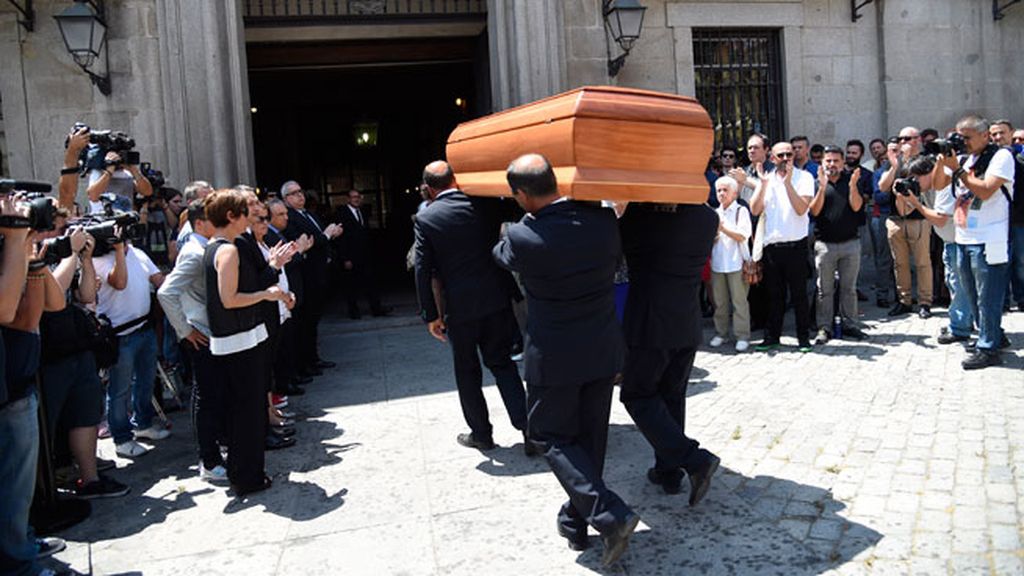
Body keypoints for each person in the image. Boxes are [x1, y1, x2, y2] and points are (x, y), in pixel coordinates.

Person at [493, 154, 639, 566]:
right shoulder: (604, 222)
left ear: (521, 195)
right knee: (591, 439)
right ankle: (575, 521)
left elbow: (500, 255)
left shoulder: (522, 235)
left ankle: (611, 516)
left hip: (554, 356)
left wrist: (516, 221)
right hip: (601, 348)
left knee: (548, 435)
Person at [413, 161, 531, 453]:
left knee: (467, 372)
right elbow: (515, 208)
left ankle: (482, 434)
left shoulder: (426, 219)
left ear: (429, 188)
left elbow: (422, 270)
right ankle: (529, 430)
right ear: (455, 179)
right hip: (495, 298)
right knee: (503, 364)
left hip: (459, 307)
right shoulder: (483, 204)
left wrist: (431, 315)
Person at [618, 192, 723, 508]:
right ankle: (668, 471)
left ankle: (694, 459)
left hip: (650, 323)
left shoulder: (639, 217)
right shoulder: (707, 217)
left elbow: (618, 246)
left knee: (636, 395)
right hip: (686, 322)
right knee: (671, 396)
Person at [203, 189, 292, 495]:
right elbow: (229, 299)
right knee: (248, 412)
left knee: (242, 410)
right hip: (240, 340)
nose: (251, 217)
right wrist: (266, 294)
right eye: (245, 213)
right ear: (231, 216)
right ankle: (247, 477)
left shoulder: (215, 247)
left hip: (233, 340)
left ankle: (243, 473)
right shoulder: (227, 250)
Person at [38, 222, 130, 498]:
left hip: (76, 346)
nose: (64, 234)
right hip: (46, 354)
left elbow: (87, 295)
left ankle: (90, 479)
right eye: (56, 227)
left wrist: (85, 260)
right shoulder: (31, 256)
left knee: (85, 413)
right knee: (46, 424)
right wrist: (70, 254)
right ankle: (43, 493)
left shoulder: (66, 255)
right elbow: (53, 297)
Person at [0, 204, 66, 576]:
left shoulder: (17, 255)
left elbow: (56, 303)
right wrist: (17, 245)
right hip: (11, 387)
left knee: (19, 486)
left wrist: (33, 260)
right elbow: (23, 318)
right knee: (13, 485)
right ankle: (18, 560)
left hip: (20, 383)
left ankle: (21, 542)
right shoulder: (7, 261)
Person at [157, 200, 228, 482]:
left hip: (209, 331)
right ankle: (209, 461)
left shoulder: (204, 247)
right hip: (200, 335)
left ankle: (217, 448)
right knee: (206, 398)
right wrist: (185, 330)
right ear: (199, 223)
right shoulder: (194, 252)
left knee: (213, 395)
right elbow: (166, 292)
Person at [938, 115, 1015, 369]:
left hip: (990, 238)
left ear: (985, 135)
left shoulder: (1001, 156)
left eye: (967, 138)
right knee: (971, 294)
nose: (963, 143)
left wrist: (958, 170)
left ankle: (988, 349)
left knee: (988, 296)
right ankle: (991, 335)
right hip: (963, 236)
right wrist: (942, 159)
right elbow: (937, 184)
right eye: (959, 138)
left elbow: (985, 190)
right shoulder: (963, 158)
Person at [93, 235, 168, 457]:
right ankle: (122, 438)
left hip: (144, 328)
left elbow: (159, 281)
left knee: (146, 381)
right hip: (119, 335)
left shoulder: (137, 252)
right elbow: (119, 282)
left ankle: (143, 424)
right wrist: (118, 252)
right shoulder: (99, 260)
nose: (125, 240)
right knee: (120, 389)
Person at [898, 157, 973, 345]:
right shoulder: (928, 188)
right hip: (951, 241)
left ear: (930, 173)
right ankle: (963, 322)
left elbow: (940, 219)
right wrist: (906, 198)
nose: (914, 182)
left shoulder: (944, 186)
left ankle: (960, 328)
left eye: (916, 177)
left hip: (959, 242)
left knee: (959, 285)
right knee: (956, 284)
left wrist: (916, 203)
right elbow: (905, 212)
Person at [750, 141, 816, 352]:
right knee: (774, 295)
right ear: (772, 158)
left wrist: (788, 184)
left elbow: (801, 209)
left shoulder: (804, 177)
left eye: (789, 154)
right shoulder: (767, 179)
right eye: (781, 155)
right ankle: (772, 337)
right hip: (772, 247)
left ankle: (803, 338)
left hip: (796, 245)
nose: (786, 158)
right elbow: (755, 209)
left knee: (799, 295)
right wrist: (762, 185)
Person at [281, 180, 341, 378]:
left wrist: (331, 234)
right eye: (294, 193)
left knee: (313, 320)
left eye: (300, 191)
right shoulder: (290, 218)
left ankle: (313, 358)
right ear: (285, 199)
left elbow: (319, 239)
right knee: (305, 322)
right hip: (307, 275)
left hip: (320, 272)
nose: (300, 195)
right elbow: (308, 242)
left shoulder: (309, 214)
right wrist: (327, 235)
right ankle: (305, 362)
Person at [808, 146, 866, 344]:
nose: (832, 164)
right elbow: (814, 212)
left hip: (851, 243)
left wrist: (853, 186)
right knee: (824, 289)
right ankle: (824, 327)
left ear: (842, 163)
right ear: (822, 163)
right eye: (828, 161)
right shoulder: (816, 183)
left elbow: (857, 206)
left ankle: (851, 324)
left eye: (836, 161)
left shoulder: (851, 181)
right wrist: (822, 188)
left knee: (849, 288)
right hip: (825, 245)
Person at [880, 127, 934, 318]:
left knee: (922, 262)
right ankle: (904, 301)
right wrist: (895, 165)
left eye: (907, 138)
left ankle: (925, 302)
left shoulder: (925, 161)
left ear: (917, 140)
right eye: (901, 139)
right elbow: (882, 187)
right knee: (900, 264)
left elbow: (929, 186)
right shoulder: (894, 162)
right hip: (895, 219)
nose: (903, 142)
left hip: (919, 219)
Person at [709, 176, 752, 351]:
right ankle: (721, 333)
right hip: (718, 262)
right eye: (719, 190)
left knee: (739, 302)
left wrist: (723, 229)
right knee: (720, 302)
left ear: (734, 193)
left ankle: (742, 335)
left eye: (725, 190)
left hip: (736, 262)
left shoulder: (741, 211)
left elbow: (743, 235)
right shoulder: (714, 213)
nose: (721, 193)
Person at [334, 189, 390, 319]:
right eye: (353, 197)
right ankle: (353, 311)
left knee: (370, 282)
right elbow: (341, 239)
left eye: (358, 197)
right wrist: (345, 258)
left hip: (365, 255)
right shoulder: (342, 214)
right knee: (351, 285)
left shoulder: (363, 212)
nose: (356, 199)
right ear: (348, 199)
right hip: (351, 256)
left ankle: (376, 308)